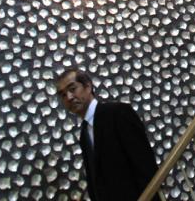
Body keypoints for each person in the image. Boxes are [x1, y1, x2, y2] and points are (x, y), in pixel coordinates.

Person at [55, 67, 159, 201]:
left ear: (87, 86)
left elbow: (145, 166)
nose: (68, 97)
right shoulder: (84, 133)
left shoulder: (118, 113)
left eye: (72, 89)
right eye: (63, 95)